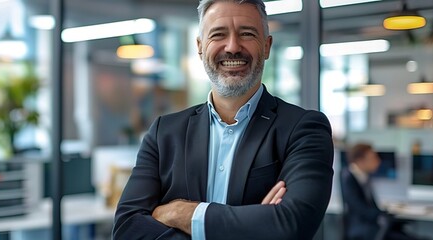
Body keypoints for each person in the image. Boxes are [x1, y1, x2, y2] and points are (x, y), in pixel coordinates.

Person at [112, 0, 334, 239]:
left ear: (267, 46)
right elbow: (127, 229)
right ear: (200, 46)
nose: (232, 47)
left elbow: (292, 224)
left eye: (247, 34)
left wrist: (182, 214)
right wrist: (255, 224)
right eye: (218, 34)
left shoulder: (304, 129)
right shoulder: (164, 132)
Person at [340, 143, 424, 240]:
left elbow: (370, 206)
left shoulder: (364, 177)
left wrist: (385, 213)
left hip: (372, 226)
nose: (378, 161)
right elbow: (359, 208)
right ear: (360, 161)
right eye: (373, 157)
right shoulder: (349, 177)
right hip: (363, 229)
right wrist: (382, 215)